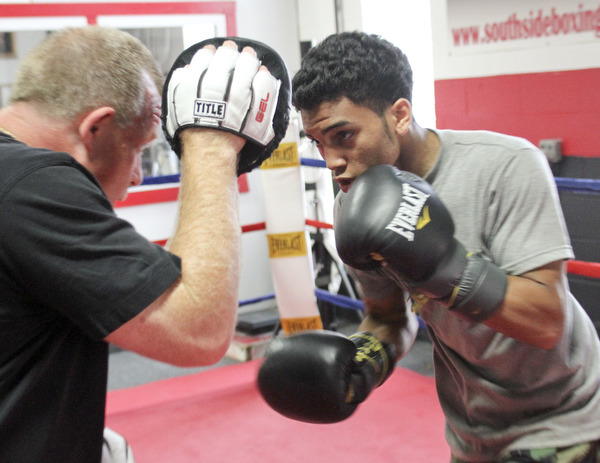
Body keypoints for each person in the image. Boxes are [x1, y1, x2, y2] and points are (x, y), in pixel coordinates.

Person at [257, 31, 600, 462]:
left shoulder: (506, 166)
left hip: (568, 424)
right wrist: (364, 362)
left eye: (343, 135)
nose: (331, 162)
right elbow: (387, 318)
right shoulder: (354, 205)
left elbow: (547, 321)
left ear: (399, 114)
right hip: (469, 431)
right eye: (319, 143)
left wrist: (441, 265)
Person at [0, 26, 288, 462]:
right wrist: (212, 142)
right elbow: (199, 329)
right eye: (137, 148)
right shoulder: (35, 184)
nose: (137, 175)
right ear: (95, 128)